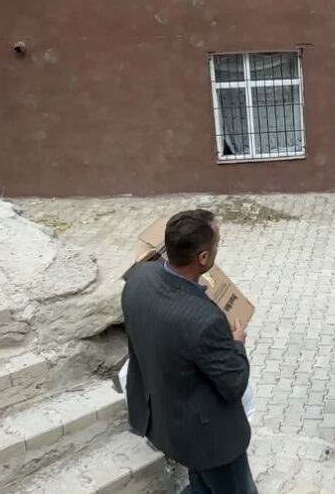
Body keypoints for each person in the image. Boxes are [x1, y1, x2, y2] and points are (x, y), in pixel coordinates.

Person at [122, 210, 257, 494]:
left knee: (201, 486)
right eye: (217, 244)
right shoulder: (205, 321)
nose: (218, 248)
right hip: (210, 440)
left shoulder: (139, 278)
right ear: (203, 258)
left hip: (166, 421)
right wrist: (237, 343)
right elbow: (234, 384)